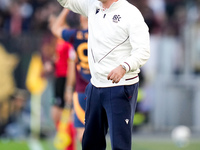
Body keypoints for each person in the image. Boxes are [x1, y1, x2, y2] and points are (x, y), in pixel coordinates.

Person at [57, 0, 150, 149]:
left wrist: (124, 67)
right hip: (95, 86)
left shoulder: (130, 13)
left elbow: (143, 50)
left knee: (120, 145)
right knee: (90, 144)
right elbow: (66, 1)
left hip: (121, 86)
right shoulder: (93, 6)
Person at [50, 9, 91, 144]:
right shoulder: (100, 35)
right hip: (98, 87)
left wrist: (66, 8)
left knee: (81, 132)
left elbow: (55, 28)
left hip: (80, 89)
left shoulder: (75, 35)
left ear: (81, 18)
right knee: (97, 132)